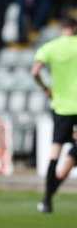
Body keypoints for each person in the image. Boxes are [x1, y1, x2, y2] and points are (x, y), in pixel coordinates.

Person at [31, 16, 77, 213]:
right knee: (74, 152)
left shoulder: (51, 47)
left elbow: (35, 71)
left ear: (61, 28)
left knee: (55, 150)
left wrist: (46, 89)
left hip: (60, 106)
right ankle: (50, 195)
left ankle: (47, 199)